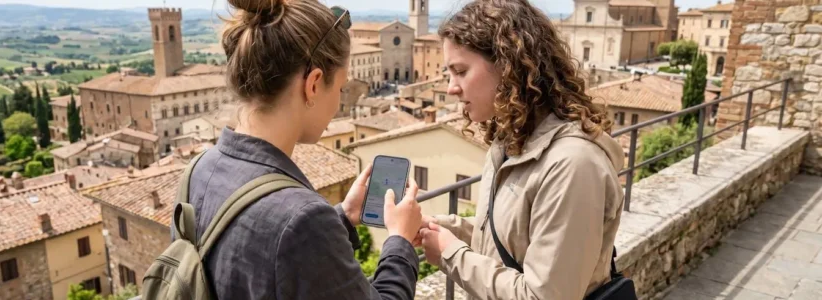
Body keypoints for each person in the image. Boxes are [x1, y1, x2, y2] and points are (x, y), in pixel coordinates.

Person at [183, 0, 424, 299]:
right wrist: (399, 240)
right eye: (340, 88)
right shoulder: (303, 219)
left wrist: (343, 216)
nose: (338, 104)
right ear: (313, 84)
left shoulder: (198, 169)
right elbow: (289, 232)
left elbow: (268, 259)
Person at [418, 0, 625, 299]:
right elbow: (512, 238)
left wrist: (452, 255)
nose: (451, 87)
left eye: (460, 71)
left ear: (507, 65)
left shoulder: (573, 165)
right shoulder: (511, 143)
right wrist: (438, 229)